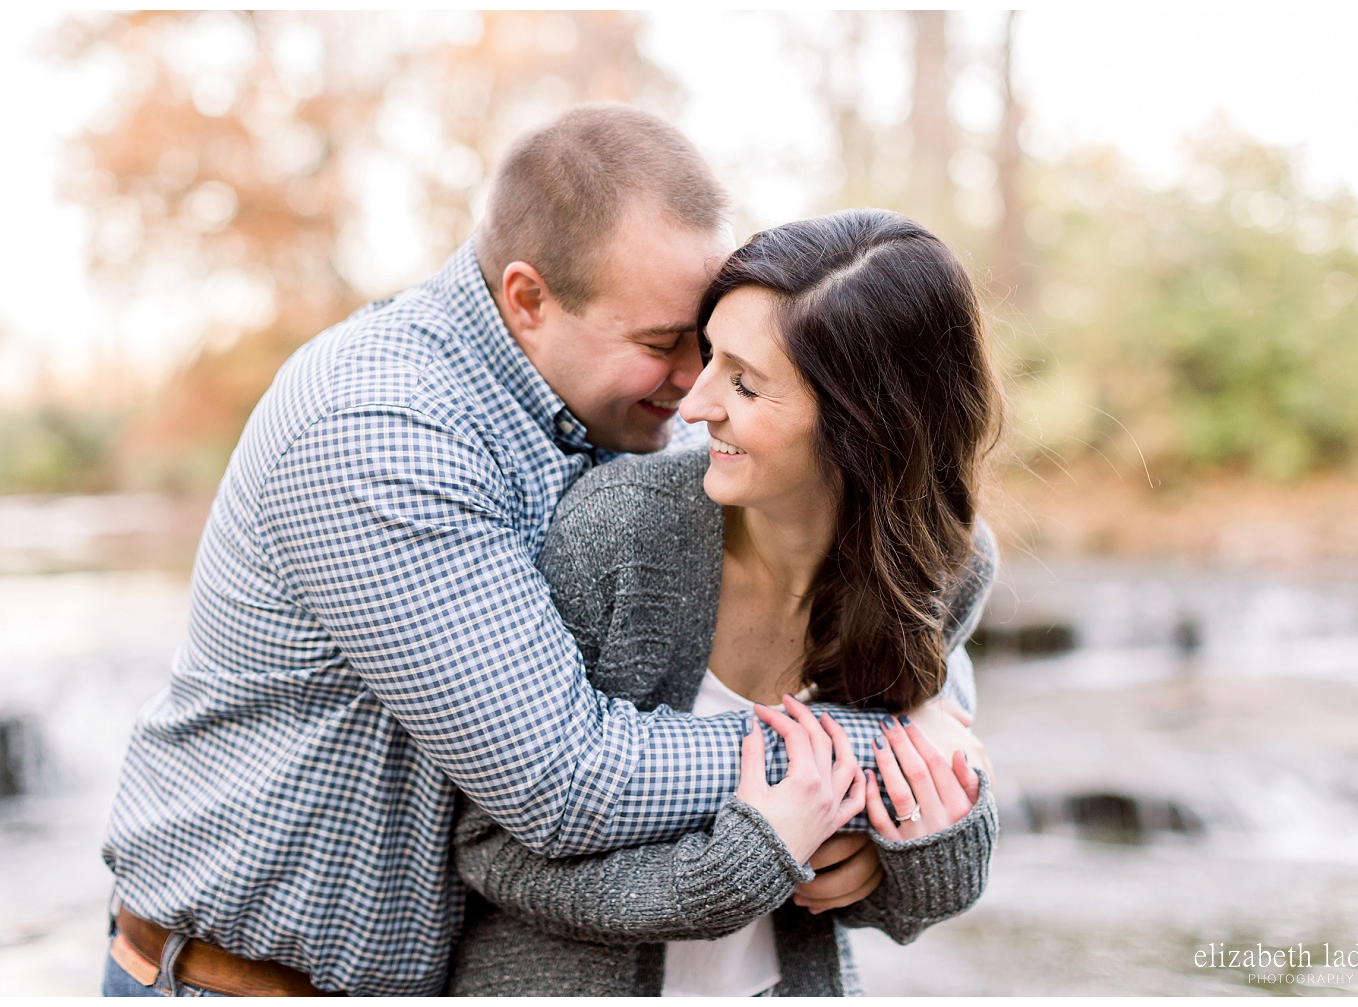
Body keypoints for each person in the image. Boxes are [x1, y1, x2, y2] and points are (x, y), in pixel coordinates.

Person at [99, 104, 906, 998]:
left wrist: (939, 714)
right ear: (528, 299)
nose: (697, 387)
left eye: (711, 345)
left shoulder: (623, 410)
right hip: (241, 981)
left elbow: (865, 548)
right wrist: (880, 757)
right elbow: (566, 779)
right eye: (662, 344)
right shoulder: (381, 429)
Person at [445, 208, 1004, 996]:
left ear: (862, 422)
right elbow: (486, 847)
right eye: (710, 357)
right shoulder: (620, 528)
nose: (695, 402)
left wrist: (898, 853)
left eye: (743, 382)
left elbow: (914, 898)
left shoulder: (948, 564)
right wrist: (742, 861)